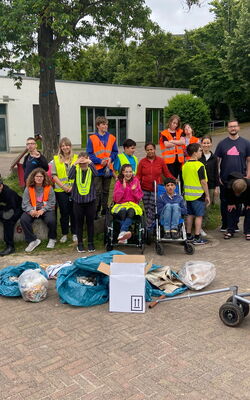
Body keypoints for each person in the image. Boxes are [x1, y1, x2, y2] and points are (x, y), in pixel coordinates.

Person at [215, 120, 250, 232]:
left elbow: (249, 160)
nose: (233, 128)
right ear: (227, 128)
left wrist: (248, 175)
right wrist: (218, 176)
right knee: (225, 202)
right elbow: (217, 161)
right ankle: (225, 224)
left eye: (235, 126)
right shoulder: (222, 144)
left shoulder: (246, 143)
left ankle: (234, 225)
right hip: (225, 179)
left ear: (238, 127)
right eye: (230, 127)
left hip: (241, 180)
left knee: (238, 202)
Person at [136, 142, 175, 234]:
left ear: (154, 149)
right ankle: (151, 227)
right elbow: (138, 175)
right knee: (147, 208)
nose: (150, 151)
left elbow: (167, 173)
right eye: (148, 150)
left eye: (151, 149)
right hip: (144, 189)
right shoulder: (142, 162)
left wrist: (174, 179)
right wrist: (133, 183)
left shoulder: (161, 161)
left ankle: (148, 228)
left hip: (156, 189)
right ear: (146, 151)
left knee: (152, 208)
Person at [87, 116, 118, 218]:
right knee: (97, 191)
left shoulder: (112, 138)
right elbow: (90, 154)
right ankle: (95, 211)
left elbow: (115, 152)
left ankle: (104, 210)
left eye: (106, 124)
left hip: (108, 169)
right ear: (98, 126)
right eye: (103, 124)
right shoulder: (92, 138)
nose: (106, 126)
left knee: (106, 191)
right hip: (97, 169)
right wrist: (100, 161)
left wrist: (110, 159)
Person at [20, 168, 57, 252]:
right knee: (23, 219)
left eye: (41, 176)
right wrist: (30, 211)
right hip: (32, 210)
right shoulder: (28, 188)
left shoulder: (49, 188)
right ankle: (33, 240)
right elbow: (25, 203)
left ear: (44, 177)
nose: (39, 178)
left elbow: (52, 202)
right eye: (37, 176)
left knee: (51, 220)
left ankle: (52, 238)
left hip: (46, 209)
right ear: (33, 177)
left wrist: (43, 210)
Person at [68, 152, 98, 253]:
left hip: (90, 201)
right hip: (78, 201)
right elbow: (70, 176)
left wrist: (90, 162)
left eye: (84, 160)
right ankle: (80, 243)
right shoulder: (76, 170)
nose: (83, 163)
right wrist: (75, 163)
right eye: (81, 161)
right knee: (79, 223)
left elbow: (96, 174)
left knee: (90, 223)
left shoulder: (91, 169)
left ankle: (90, 242)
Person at [182, 143, 210, 245]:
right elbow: (203, 181)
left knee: (189, 215)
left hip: (188, 196)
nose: (201, 152)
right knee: (199, 216)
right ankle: (197, 237)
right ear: (194, 153)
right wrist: (207, 195)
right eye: (200, 151)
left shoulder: (185, 166)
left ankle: (188, 235)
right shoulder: (199, 165)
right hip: (198, 195)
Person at [51, 137, 78, 243]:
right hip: (61, 190)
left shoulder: (76, 158)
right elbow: (54, 175)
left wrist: (73, 187)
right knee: (64, 212)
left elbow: (80, 174)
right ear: (60, 147)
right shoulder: (56, 159)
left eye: (66, 145)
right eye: (62, 146)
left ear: (70, 146)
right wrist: (63, 186)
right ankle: (65, 233)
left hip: (74, 190)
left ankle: (75, 233)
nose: (65, 147)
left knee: (74, 212)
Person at [112, 164, 143, 244]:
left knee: (131, 211)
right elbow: (116, 198)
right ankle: (124, 234)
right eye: (126, 172)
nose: (128, 174)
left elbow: (139, 197)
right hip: (120, 205)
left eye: (130, 172)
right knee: (123, 211)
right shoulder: (119, 182)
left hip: (133, 205)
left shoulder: (136, 181)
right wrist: (123, 188)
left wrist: (134, 190)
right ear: (123, 172)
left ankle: (122, 233)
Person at [223, 172, 250, 240]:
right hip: (232, 197)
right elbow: (226, 196)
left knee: (249, 211)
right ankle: (230, 230)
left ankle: (248, 231)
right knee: (230, 210)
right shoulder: (228, 185)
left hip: (247, 197)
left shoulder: (249, 184)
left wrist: (249, 204)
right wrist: (231, 203)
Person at [0, 176, 23, 256]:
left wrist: (2, 212)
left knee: (8, 221)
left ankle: (10, 246)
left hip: (17, 208)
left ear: (1, 185)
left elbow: (11, 209)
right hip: (5, 209)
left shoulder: (8, 192)